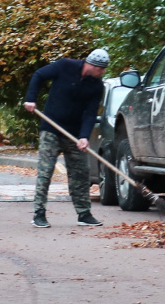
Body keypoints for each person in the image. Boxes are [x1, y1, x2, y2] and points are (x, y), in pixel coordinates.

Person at [23, 48, 109, 228]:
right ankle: (39, 213)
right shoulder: (64, 66)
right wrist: (31, 98)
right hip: (51, 129)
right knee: (45, 172)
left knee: (81, 173)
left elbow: (90, 113)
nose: (103, 73)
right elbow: (38, 75)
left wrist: (84, 137)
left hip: (74, 134)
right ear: (92, 65)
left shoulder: (96, 86)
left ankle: (84, 214)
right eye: (101, 69)